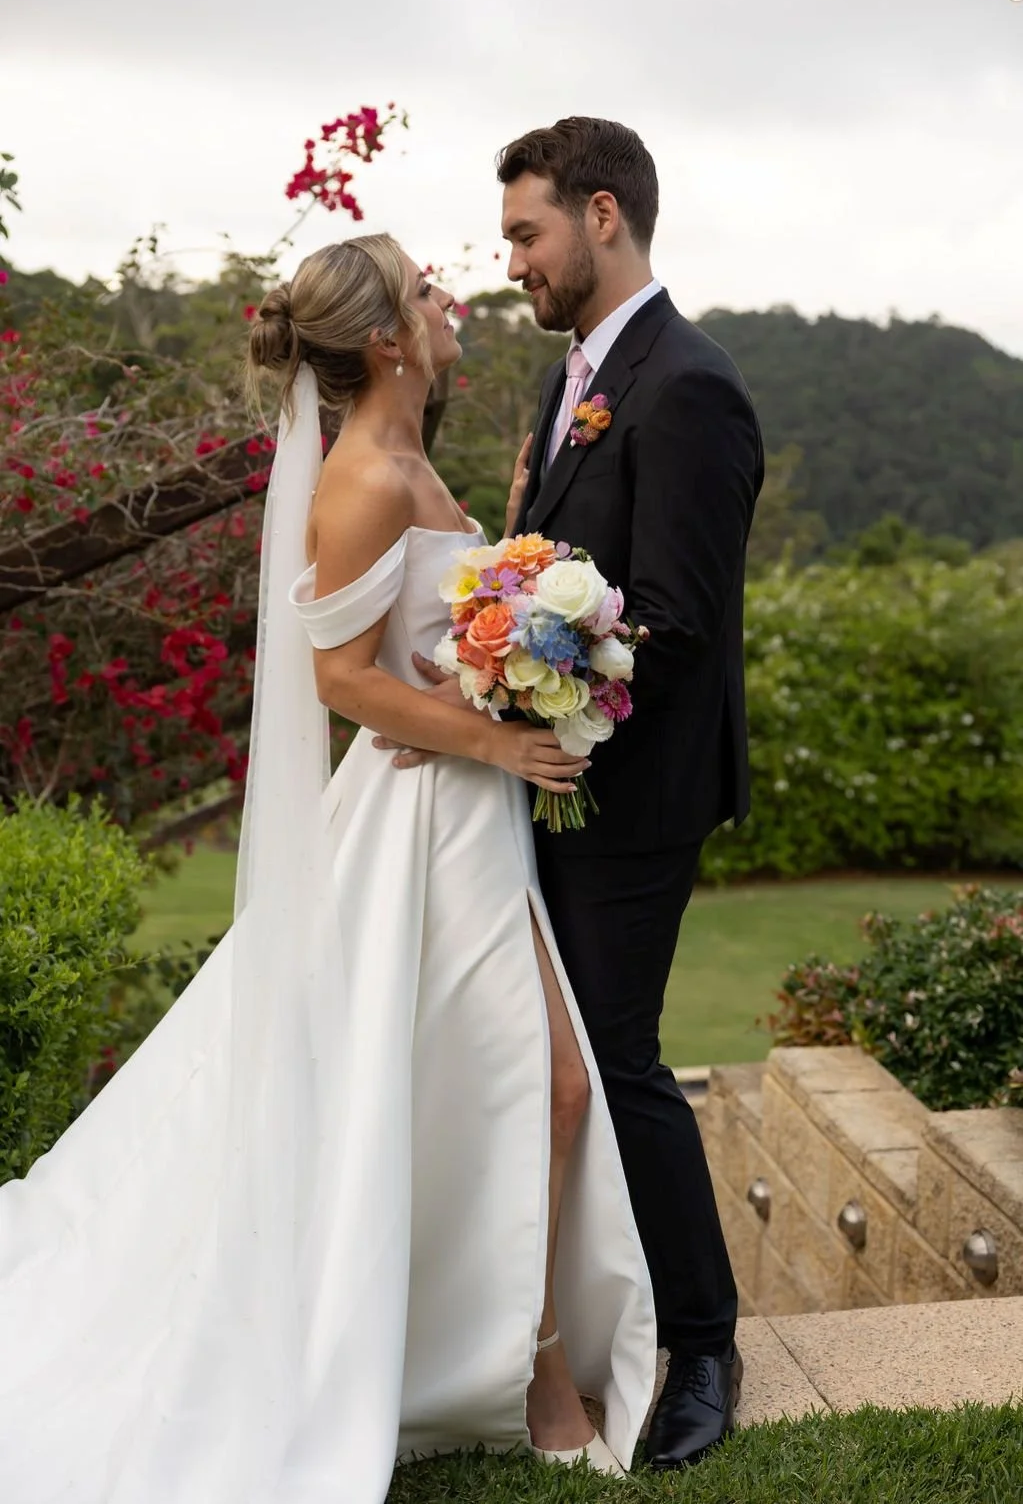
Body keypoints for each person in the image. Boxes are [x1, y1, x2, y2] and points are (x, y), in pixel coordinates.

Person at [0, 234, 657, 1502]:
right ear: (382, 342)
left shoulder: (415, 458)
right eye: (423, 289)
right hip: (427, 825)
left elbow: (420, 631)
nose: (446, 298)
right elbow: (340, 678)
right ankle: (531, 1366)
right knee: (549, 1085)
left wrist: (518, 591)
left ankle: (496, 1345)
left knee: (491, 1087)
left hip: (468, 818)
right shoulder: (361, 474)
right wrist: (497, 737)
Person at [382, 117, 764, 1469]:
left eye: (526, 235)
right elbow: (548, 569)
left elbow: (666, 624)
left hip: (635, 791)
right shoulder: (573, 383)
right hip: (548, 781)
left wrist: (498, 704)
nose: (513, 266)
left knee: (616, 1059)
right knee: (556, 1065)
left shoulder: (688, 385)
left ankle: (705, 1344)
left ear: (601, 216)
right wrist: (487, 674)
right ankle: (593, 1323)